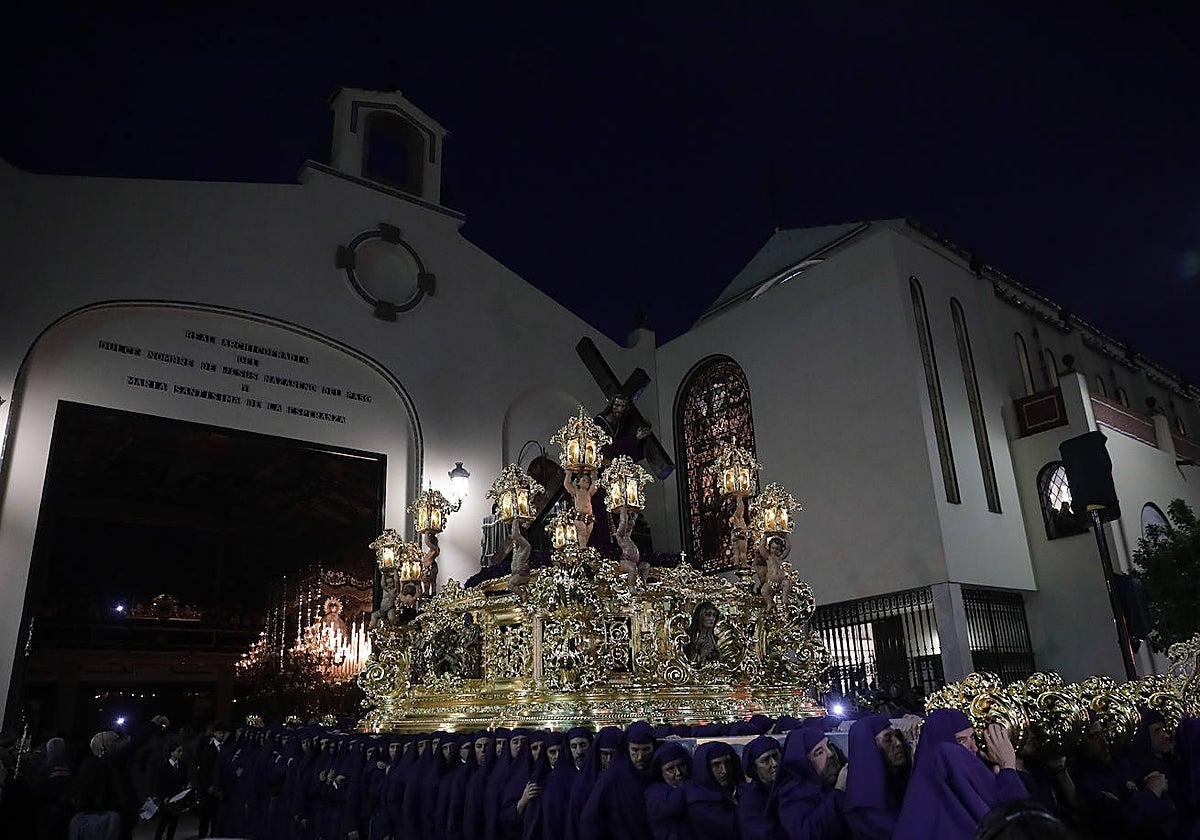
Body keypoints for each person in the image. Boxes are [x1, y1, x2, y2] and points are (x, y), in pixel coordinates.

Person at [893, 709, 1027, 840]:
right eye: (961, 741)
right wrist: (1008, 766)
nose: (974, 748)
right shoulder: (924, 809)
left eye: (973, 738)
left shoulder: (988, 778)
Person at [580, 721, 656, 840]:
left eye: (646, 750)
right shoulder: (611, 778)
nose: (640, 757)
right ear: (627, 748)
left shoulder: (659, 773)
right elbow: (591, 821)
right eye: (635, 750)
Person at [775, 723, 847, 840]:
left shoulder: (838, 777)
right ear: (804, 764)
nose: (831, 754)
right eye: (819, 752)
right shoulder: (792, 798)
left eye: (829, 746)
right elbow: (810, 834)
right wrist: (838, 792)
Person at [843, 714, 910, 840]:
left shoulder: (894, 782)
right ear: (869, 749)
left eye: (897, 736)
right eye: (888, 739)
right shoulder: (864, 807)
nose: (898, 743)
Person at [684, 741, 742, 840]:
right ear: (705, 769)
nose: (724, 771)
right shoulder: (697, 802)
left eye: (727, 763)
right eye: (716, 765)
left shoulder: (737, 790)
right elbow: (736, 826)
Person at [738, 735, 783, 840]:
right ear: (755, 768)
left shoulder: (791, 788)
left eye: (776, 756)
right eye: (766, 760)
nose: (774, 763)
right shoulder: (750, 803)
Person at [645, 741, 692, 840]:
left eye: (681, 765)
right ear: (661, 772)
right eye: (670, 769)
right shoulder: (655, 794)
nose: (678, 772)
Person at [153, 740, 189, 840]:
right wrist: (164, 797)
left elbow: (184, 779)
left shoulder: (182, 765)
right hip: (167, 799)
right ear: (172, 752)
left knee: (174, 823)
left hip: (177, 798)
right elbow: (159, 784)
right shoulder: (162, 767)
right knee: (163, 823)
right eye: (179, 751)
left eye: (181, 751)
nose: (181, 753)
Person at [757, 534, 792, 615]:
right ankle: (769, 603)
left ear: (780, 549)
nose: (774, 550)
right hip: (770, 582)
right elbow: (761, 547)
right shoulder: (768, 557)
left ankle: (784, 598)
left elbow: (788, 548)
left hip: (781, 582)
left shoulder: (780, 558)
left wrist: (785, 537)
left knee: (787, 583)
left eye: (777, 549)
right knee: (764, 591)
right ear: (769, 547)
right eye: (773, 548)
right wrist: (765, 536)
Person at [565, 468, 600, 547]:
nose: (586, 482)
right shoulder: (576, 491)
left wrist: (594, 474)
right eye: (584, 480)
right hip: (579, 516)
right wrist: (568, 474)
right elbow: (567, 484)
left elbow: (595, 484)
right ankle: (582, 548)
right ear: (578, 482)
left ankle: (583, 548)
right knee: (582, 532)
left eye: (588, 481)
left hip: (590, 516)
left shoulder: (589, 492)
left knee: (588, 533)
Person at [684, 602, 722, 667]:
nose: (711, 618)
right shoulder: (688, 637)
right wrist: (701, 655)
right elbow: (684, 661)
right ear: (700, 616)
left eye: (714, 615)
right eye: (708, 615)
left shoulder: (715, 639)